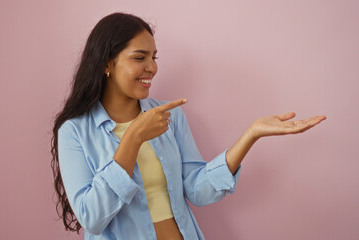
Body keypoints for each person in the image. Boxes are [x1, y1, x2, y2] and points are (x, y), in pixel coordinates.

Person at [50, 12, 326, 240]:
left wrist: (250, 135)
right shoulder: (74, 131)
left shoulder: (171, 117)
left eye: (154, 57)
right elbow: (92, 218)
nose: (152, 68)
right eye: (139, 57)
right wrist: (133, 138)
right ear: (107, 64)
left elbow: (196, 189)